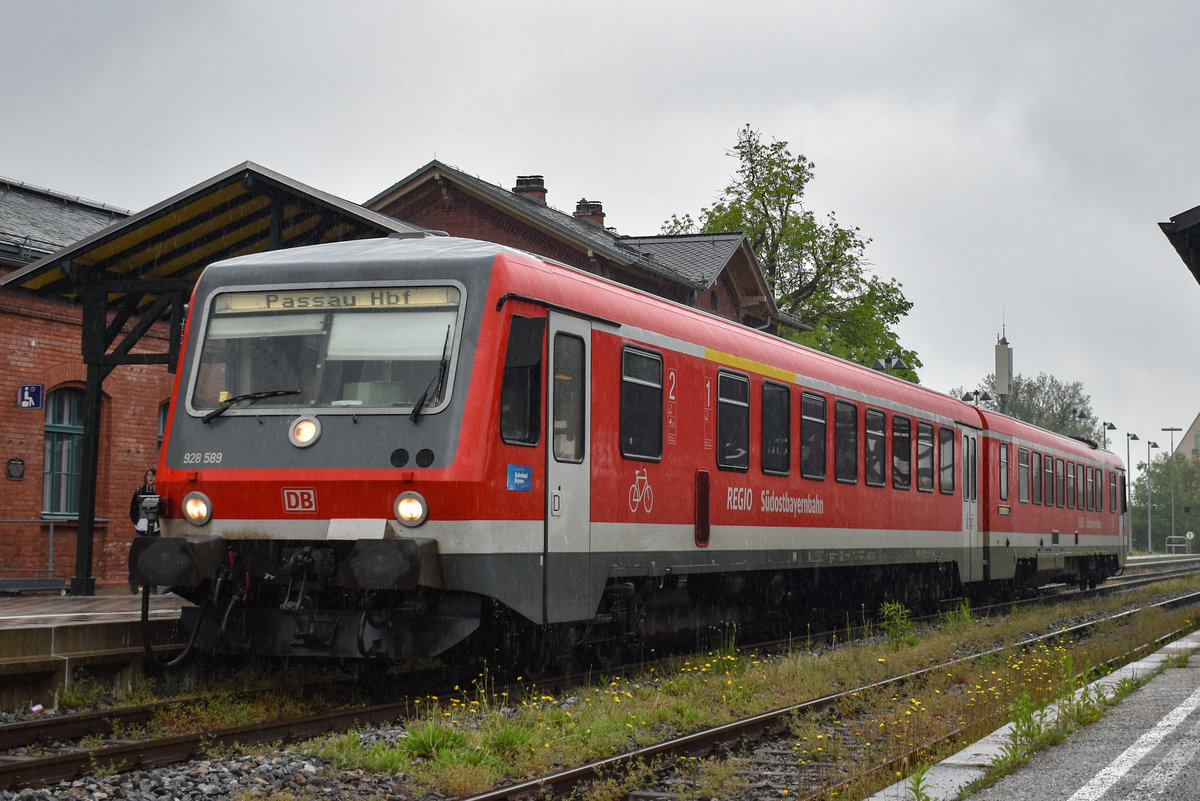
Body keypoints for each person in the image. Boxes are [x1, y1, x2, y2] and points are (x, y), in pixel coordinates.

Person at [128, 468, 160, 594]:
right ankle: (133, 581)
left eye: (153, 475)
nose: (151, 478)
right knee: (137, 556)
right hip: (142, 527)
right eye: (149, 475)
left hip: (156, 528)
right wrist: (137, 522)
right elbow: (133, 511)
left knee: (154, 557)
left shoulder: (160, 491)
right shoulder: (139, 492)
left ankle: (152, 585)